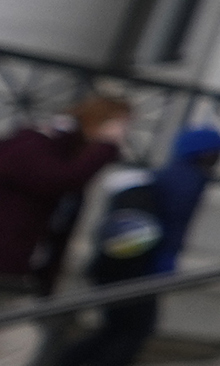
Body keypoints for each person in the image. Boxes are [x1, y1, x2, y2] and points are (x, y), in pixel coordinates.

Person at [56, 121, 220, 366]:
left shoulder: (168, 175)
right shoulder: (188, 181)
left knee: (117, 327)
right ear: (205, 153)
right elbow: (173, 227)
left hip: (118, 264)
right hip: (139, 268)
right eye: (216, 152)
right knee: (133, 329)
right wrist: (164, 264)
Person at [0, 90, 129, 297]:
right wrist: (106, 147)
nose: (121, 135)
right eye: (119, 126)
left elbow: (58, 226)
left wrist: (46, 284)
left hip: (21, 272)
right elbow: (57, 181)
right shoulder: (33, 146)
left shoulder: (67, 159)